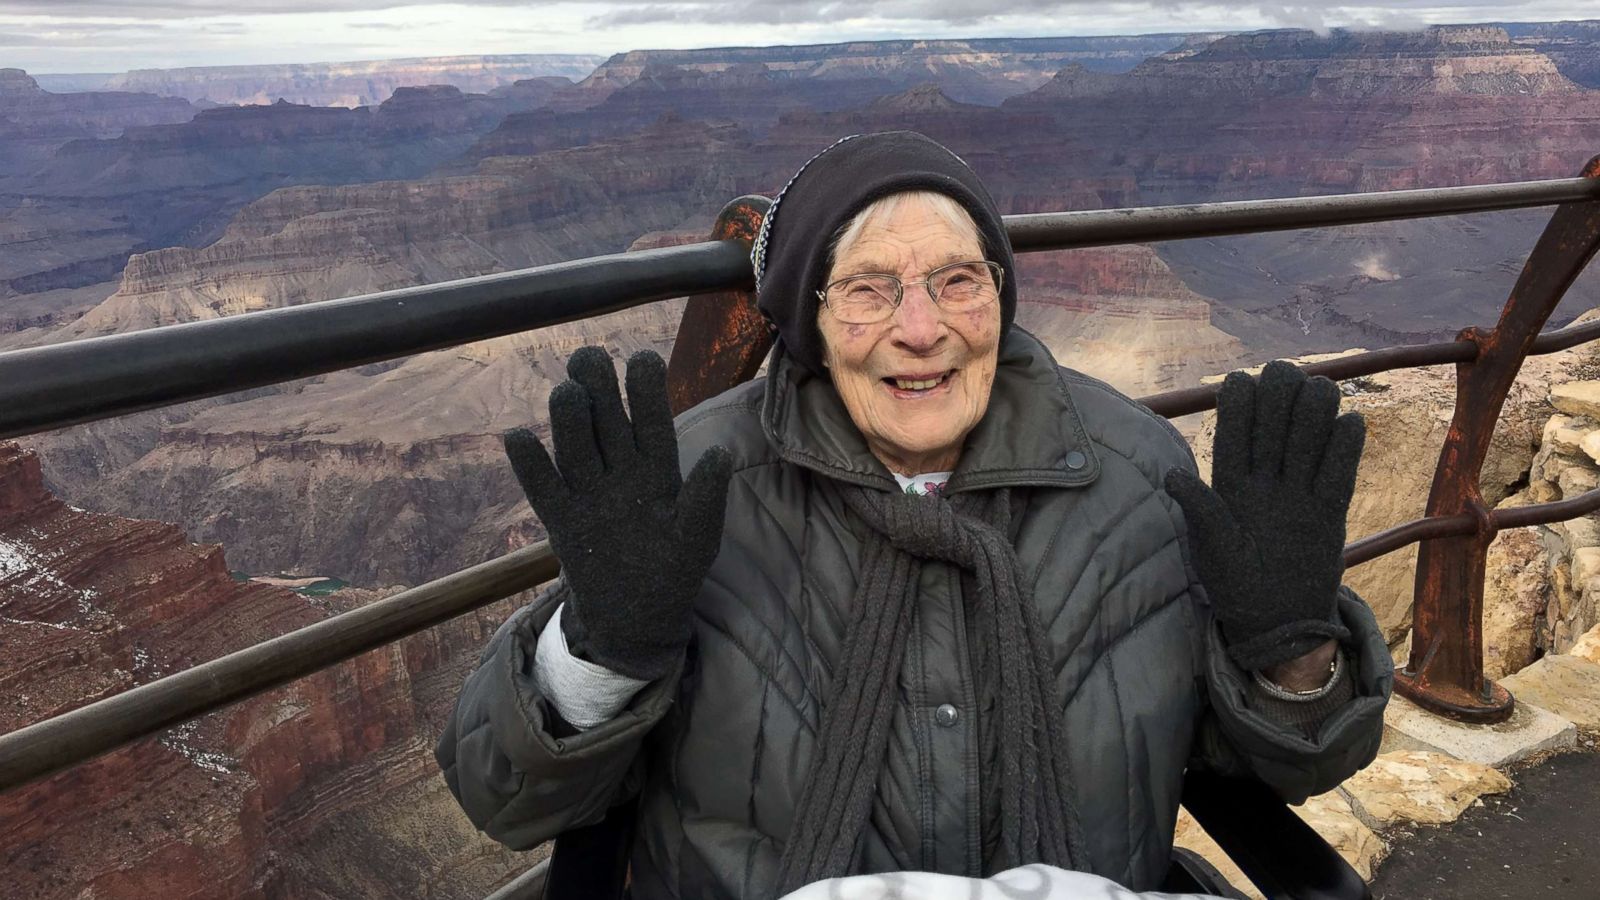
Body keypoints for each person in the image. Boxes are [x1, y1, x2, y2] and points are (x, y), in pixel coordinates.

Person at [435, 131, 1393, 898]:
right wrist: (600, 655)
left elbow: (1265, 771)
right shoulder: (697, 487)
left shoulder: (1136, 475)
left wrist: (1290, 658)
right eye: (867, 289)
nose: (922, 327)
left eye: (957, 280)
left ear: (1000, 294)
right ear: (809, 321)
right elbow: (501, 798)